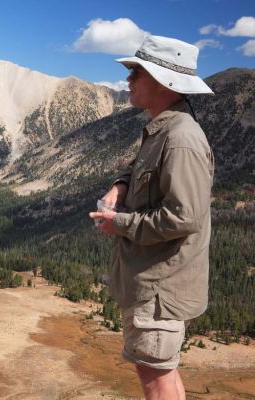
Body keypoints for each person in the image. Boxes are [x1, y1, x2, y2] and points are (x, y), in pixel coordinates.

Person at [89, 35, 215, 400]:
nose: (127, 80)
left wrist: (120, 224)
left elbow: (183, 217)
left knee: (156, 381)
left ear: (162, 81)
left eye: (136, 72)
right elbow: (139, 169)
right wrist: (120, 186)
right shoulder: (163, 130)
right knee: (161, 373)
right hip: (154, 285)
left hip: (160, 288)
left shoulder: (181, 139)